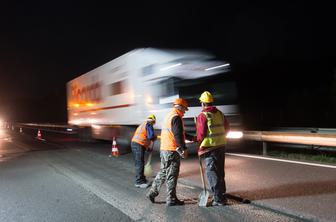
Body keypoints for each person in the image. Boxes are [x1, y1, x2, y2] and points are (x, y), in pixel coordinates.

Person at [146, 98, 194, 206]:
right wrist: (182, 149)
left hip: (164, 149)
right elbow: (177, 135)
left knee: (163, 172)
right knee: (172, 174)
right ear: (180, 107)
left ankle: (152, 193)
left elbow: (178, 133)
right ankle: (171, 199)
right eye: (184, 109)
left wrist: (192, 138)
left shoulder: (169, 115)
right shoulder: (176, 117)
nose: (185, 112)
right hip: (172, 150)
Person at [196, 91, 230, 206]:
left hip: (210, 148)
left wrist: (199, 143)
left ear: (202, 103)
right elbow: (227, 128)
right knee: (220, 171)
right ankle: (222, 194)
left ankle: (218, 199)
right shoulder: (220, 113)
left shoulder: (203, 116)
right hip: (221, 145)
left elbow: (201, 134)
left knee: (212, 172)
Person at [131, 114, 157, 188]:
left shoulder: (143, 124)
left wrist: (148, 148)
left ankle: (142, 179)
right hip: (137, 145)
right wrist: (154, 137)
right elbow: (150, 136)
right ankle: (139, 182)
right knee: (139, 163)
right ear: (153, 121)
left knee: (140, 162)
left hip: (137, 144)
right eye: (154, 122)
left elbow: (143, 137)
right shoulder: (149, 124)